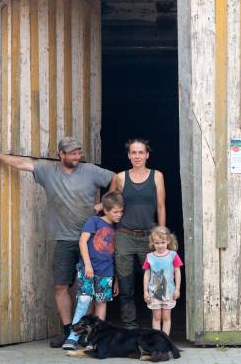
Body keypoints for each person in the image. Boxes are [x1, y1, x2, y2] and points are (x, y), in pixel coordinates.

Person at [0, 135, 114, 348]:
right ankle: (69, 332)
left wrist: (104, 204)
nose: (77, 156)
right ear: (61, 155)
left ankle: (88, 333)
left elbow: (116, 179)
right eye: (73, 153)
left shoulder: (91, 170)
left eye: (79, 152)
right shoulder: (48, 172)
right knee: (60, 286)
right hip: (64, 239)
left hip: (90, 240)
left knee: (90, 288)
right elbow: (23, 164)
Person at [110, 138, 166, 329]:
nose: (137, 156)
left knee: (156, 282)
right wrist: (100, 208)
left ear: (147, 154)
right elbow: (111, 204)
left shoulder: (157, 176)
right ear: (128, 155)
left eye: (141, 152)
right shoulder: (120, 177)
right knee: (126, 284)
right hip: (124, 235)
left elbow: (161, 206)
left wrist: (162, 233)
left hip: (149, 236)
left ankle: (157, 327)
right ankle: (130, 326)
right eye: (133, 152)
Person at [62, 191, 123, 350]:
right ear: (107, 210)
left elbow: (114, 252)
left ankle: (97, 338)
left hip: (106, 271)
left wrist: (115, 277)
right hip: (88, 268)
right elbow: (83, 242)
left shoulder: (116, 228)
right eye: (116, 212)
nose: (119, 215)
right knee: (84, 300)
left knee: (101, 302)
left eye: (121, 211)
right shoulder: (94, 221)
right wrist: (88, 265)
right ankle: (73, 336)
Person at [142, 226, 182, 335]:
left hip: (169, 292)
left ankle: (165, 341)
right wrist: (145, 291)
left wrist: (177, 289)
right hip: (154, 293)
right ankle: (157, 341)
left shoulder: (173, 255)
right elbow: (147, 273)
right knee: (156, 317)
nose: (160, 245)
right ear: (152, 243)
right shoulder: (150, 256)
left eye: (162, 242)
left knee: (166, 317)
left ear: (168, 241)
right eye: (157, 243)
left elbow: (177, 272)